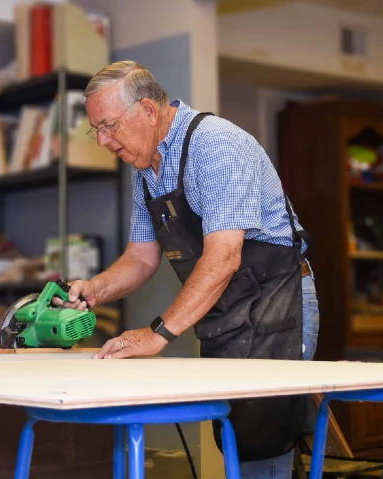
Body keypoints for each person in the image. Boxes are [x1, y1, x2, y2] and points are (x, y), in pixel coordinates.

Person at [57, 60, 320, 478]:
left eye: (109, 126)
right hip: (224, 308)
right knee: (234, 439)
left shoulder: (216, 146)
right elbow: (141, 257)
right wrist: (96, 288)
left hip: (276, 303)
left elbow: (223, 257)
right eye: (97, 130)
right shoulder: (145, 167)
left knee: (263, 442)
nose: (105, 141)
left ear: (146, 110)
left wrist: (156, 333)